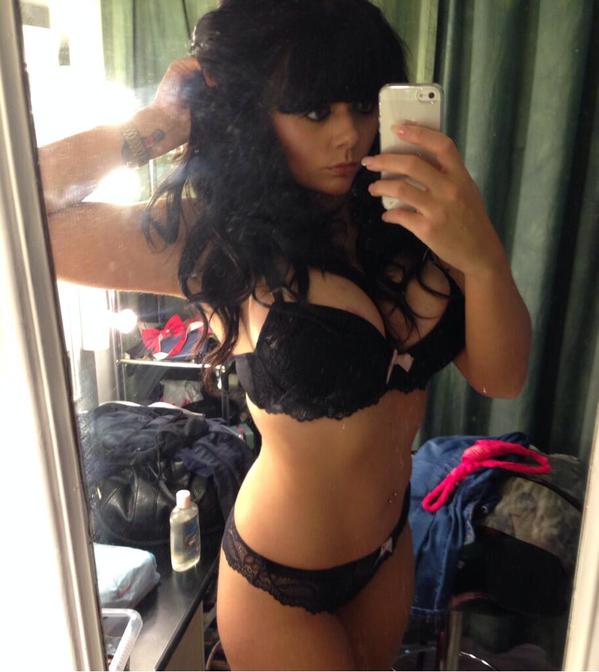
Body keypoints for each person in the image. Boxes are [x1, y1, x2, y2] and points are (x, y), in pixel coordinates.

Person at [39, 0, 531, 668]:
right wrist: (156, 126)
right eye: (313, 111)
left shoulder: (416, 218)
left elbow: (500, 377)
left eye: (363, 105)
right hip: (280, 581)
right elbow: (22, 211)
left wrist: (482, 255)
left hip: (390, 549)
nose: (349, 136)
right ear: (256, 115)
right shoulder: (216, 240)